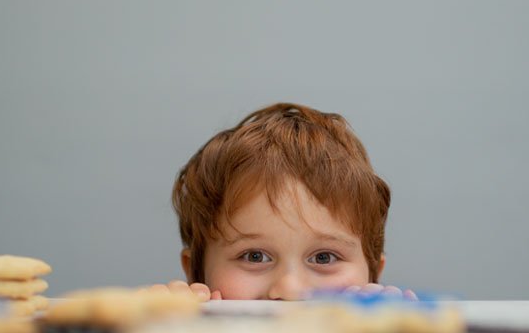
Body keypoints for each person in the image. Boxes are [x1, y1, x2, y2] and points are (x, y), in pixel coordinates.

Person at [160, 102, 414, 301]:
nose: (291, 291)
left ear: (374, 273)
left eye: (324, 257)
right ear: (195, 271)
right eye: (255, 256)